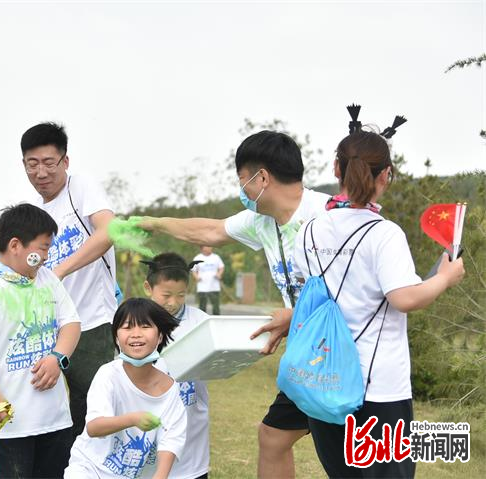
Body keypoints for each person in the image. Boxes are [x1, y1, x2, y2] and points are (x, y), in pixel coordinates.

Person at [138, 130, 330, 478]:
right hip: (310, 354)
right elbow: (210, 231)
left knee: (347, 454)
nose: (241, 190)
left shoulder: (328, 216)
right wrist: (153, 223)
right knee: (272, 436)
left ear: (262, 178)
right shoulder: (262, 220)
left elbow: (353, 294)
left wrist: (296, 316)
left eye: (242, 180)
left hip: (347, 355)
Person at [292, 125, 465, 478]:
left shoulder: (309, 228)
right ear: (387, 175)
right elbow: (403, 298)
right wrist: (444, 278)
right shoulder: (383, 233)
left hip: (322, 378)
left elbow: (304, 288)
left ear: (336, 168)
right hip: (377, 388)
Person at [0, 203, 81, 478]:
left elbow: (71, 323)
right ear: (15, 245)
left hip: (55, 422)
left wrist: (57, 357)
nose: (47, 256)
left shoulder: (46, 279)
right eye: (43, 248)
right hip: (9, 425)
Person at [22, 122, 117, 438]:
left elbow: (109, 231)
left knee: (93, 408)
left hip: (92, 322)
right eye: (32, 164)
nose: (41, 172)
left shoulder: (81, 188)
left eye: (49, 162)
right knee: (52, 412)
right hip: (51, 327)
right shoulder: (36, 211)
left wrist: (60, 270)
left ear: (65, 161)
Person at [64, 298, 187, 479]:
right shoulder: (108, 375)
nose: (136, 334)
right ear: (116, 337)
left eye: (145, 326)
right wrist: (132, 419)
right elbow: (94, 427)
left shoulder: (170, 389)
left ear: (160, 336)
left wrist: (160, 476)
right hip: (89, 470)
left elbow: (172, 439)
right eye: (127, 327)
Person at [143, 253, 211, 479]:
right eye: (166, 295)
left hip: (191, 426)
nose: (173, 302)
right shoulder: (135, 322)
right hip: (150, 420)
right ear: (148, 288)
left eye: (181, 295)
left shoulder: (200, 322)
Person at [191, 246, 224, 315]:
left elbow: (221, 267)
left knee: (216, 306)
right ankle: (202, 320)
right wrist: (196, 277)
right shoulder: (198, 258)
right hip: (202, 286)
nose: (209, 248)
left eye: (210, 247)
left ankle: (216, 320)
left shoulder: (216, 257)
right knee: (202, 306)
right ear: (202, 248)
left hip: (214, 285)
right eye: (207, 247)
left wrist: (219, 274)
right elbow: (193, 270)